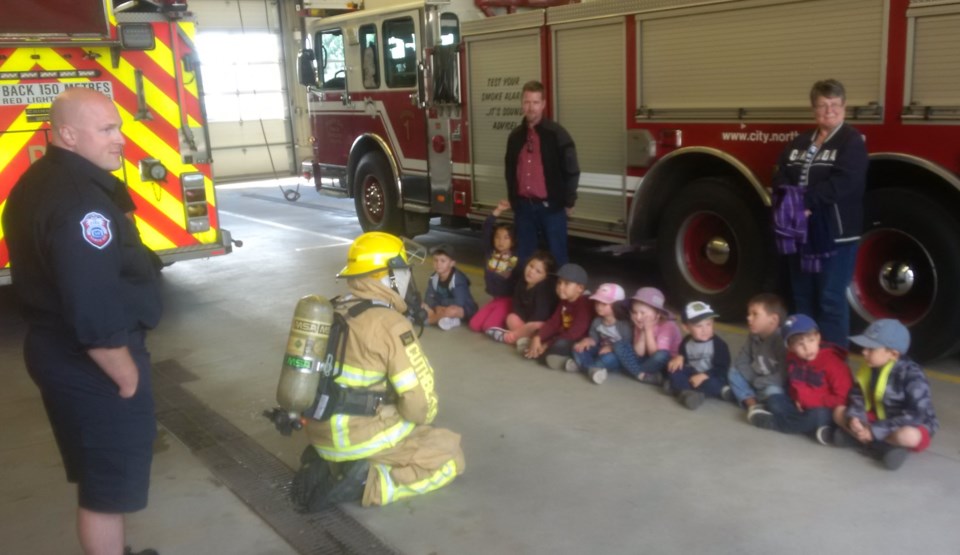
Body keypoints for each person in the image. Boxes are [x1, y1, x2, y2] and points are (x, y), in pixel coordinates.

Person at [2, 88, 161, 555]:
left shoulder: (44, 180)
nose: (120, 139)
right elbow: (90, 301)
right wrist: (123, 371)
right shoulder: (80, 203)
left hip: (59, 350)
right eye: (107, 129)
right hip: (89, 360)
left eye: (119, 127)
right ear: (68, 134)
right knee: (105, 491)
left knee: (100, 475)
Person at [296, 232, 465, 508]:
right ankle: (369, 483)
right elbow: (418, 406)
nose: (408, 278)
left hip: (320, 433)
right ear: (389, 277)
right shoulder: (390, 324)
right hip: (360, 439)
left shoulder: (333, 308)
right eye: (402, 271)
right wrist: (423, 421)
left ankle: (336, 463)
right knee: (450, 456)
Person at [772, 79, 868, 347]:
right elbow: (781, 172)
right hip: (800, 233)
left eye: (835, 104)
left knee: (830, 298)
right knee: (802, 296)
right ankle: (803, 358)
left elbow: (845, 183)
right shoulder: (799, 142)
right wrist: (788, 198)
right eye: (823, 105)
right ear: (814, 109)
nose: (829, 111)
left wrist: (805, 203)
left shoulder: (851, 142)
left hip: (837, 235)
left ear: (844, 107)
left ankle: (833, 361)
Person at [826, 319, 938, 470]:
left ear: (893, 353)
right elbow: (857, 396)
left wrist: (874, 430)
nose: (864, 352)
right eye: (865, 347)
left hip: (907, 424)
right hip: (879, 417)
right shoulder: (870, 367)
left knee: (908, 436)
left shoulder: (913, 375)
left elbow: (917, 415)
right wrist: (856, 417)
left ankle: (864, 442)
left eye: (871, 349)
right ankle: (885, 448)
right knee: (838, 412)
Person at [504, 80, 580, 266]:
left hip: (551, 209)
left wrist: (569, 201)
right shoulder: (515, 137)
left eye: (535, 102)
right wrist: (514, 201)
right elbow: (509, 171)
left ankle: (558, 295)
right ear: (522, 104)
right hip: (524, 209)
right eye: (527, 102)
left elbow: (572, 170)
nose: (531, 107)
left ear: (543, 104)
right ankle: (526, 295)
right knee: (524, 261)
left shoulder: (557, 135)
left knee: (558, 259)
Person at [748, 314, 852, 438]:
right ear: (791, 348)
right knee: (774, 400)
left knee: (817, 416)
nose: (807, 348)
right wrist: (797, 399)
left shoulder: (834, 363)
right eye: (800, 344)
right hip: (800, 406)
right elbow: (794, 384)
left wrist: (810, 402)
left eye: (811, 340)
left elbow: (844, 398)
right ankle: (813, 430)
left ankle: (775, 423)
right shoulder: (792, 358)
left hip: (825, 409)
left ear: (818, 338)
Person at [727, 293, 788, 421]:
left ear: (773, 320)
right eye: (749, 314)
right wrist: (754, 379)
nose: (749, 318)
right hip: (757, 378)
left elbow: (784, 375)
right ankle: (753, 404)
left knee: (774, 394)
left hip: (773, 383)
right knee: (733, 372)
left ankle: (745, 395)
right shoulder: (753, 336)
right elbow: (741, 361)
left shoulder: (781, 341)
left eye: (755, 314)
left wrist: (759, 382)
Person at [524, 263, 592, 369]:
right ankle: (538, 351)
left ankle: (561, 359)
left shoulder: (584, 305)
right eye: (559, 283)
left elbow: (573, 334)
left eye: (567, 284)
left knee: (561, 344)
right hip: (562, 335)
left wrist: (546, 344)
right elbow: (553, 323)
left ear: (580, 288)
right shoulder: (564, 301)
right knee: (539, 333)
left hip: (577, 340)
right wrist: (538, 337)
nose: (560, 287)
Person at [665, 302, 731, 410]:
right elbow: (684, 359)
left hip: (710, 375)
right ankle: (688, 392)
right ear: (686, 327)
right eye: (699, 326)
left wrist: (704, 375)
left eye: (708, 324)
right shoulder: (686, 342)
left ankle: (682, 390)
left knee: (714, 384)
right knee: (673, 369)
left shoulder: (719, 345)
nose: (705, 329)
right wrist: (680, 357)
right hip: (692, 373)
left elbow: (722, 369)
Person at [487, 250, 558, 349]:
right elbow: (516, 307)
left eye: (538, 271)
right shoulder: (522, 282)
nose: (531, 271)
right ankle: (526, 341)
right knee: (511, 317)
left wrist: (527, 326)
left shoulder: (545, 289)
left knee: (537, 325)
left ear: (546, 276)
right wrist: (525, 327)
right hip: (525, 324)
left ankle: (508, 337)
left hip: (539, 327)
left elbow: (540, 316)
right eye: (531, 266)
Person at [613, 287, 682, 385]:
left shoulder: (668, 326)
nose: (638, 317)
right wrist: (642, 332)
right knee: (619, 345)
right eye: (634, 312)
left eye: (643, 313)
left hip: (665, 363)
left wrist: (648, 330)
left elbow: (655, 355)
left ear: (657, 314)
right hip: (646, 360)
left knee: (662, 355)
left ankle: (633, 371)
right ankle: (642, 375)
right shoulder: (639, 324)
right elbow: (639, 353)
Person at [469, 199, 519, 333]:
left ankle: (508, 323)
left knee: (488, 327)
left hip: (508, 301)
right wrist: (498, 210)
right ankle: (500, 316)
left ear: (513, 241)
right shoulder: (490, 253)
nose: (500, 241)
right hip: (495, 299)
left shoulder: (515, 257)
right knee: (474, 325)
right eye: (497, 237)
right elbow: (486, 228)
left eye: (506, 238)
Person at [571, 283, 632, 385]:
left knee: (608, 359)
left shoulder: (623, 326)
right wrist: (587, 341)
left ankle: (582, 365)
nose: (599, 307)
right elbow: (594, 338)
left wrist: (612, 348)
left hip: (615, 355)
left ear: (617, 305)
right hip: (599, 349)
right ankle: (593, 369)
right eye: (597, 303)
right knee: (577, 348)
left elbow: (627, 345)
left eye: (604, 304)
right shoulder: (597, 321)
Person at [422, 244, 478, 330]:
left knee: (452, 310)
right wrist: (437, 306)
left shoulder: (458, 279)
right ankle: (448, 320)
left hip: (463, 308)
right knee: (423, 304)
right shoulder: (434, 277)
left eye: (443, 261)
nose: (438, 264)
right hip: (441, 306)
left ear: (452, 263)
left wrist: (439, 304)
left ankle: (430, 320)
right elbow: (428, 298)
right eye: (435, 260)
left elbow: (459, 302)